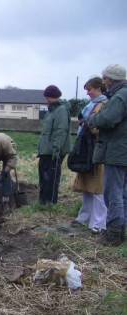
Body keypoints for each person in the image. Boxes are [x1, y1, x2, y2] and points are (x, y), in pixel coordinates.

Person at [88, 64, 127, 245]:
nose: (103, 82)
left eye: (105, 79)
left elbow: (108, 119)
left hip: (117, 151)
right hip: (122, 150)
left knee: (113, 194)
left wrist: (94, 120)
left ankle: (113, 235)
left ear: (111, 79)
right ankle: (120, 232)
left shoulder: (120, 97)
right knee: (123, 193)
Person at [72, 77, 108, 234]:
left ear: (99, 88)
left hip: (98, 150)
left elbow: (100, 127)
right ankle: (84, 217)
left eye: (90, 89)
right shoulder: (91, 105)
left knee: (98, 187)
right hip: (86, 149)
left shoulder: (105, 104)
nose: (88, 93)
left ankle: (98, 223)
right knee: (87, 185)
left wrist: (88, 124)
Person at [37, 85, 71, 204]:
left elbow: (60, 131)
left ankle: (50, 202)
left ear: (54, 97)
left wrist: (56, 149)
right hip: (46, 150)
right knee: (43, 176)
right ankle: (43, 200)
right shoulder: (52, 110)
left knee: (51, 177)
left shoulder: (61, 110)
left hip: (53, 151)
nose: (46, 100)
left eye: (48, 98)